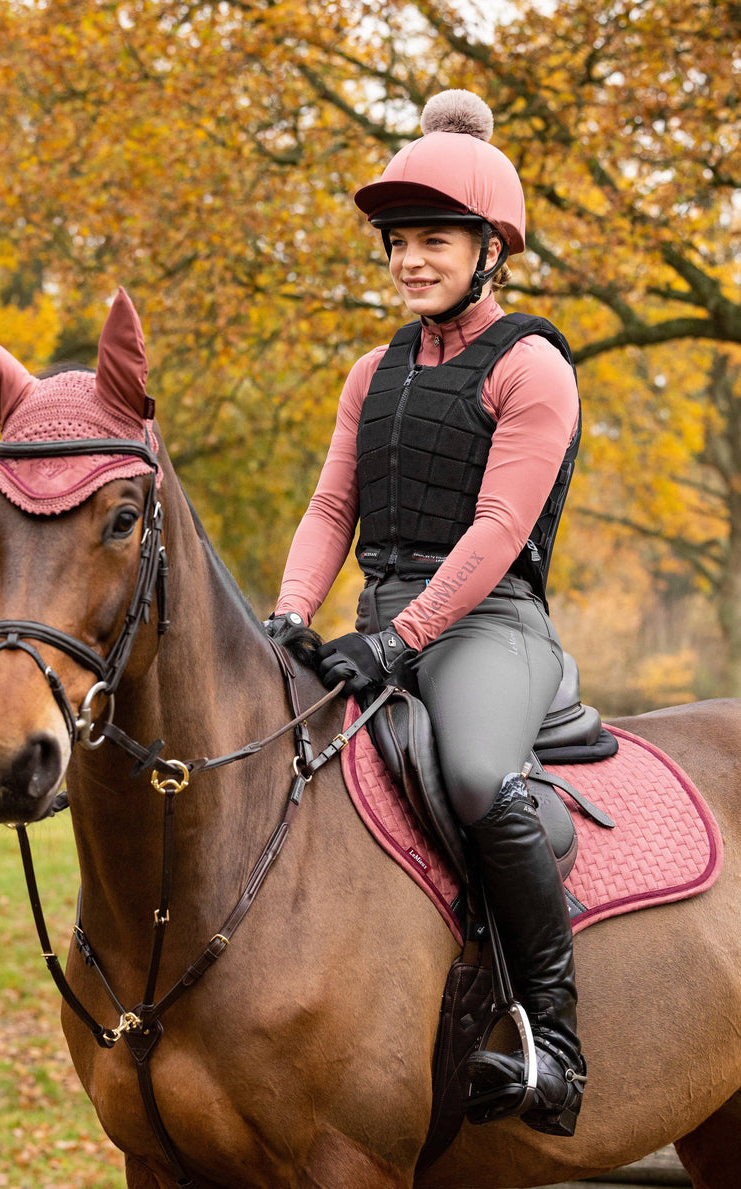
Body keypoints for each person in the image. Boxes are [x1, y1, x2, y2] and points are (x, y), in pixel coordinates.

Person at [267, 90, 585, 1136]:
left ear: (491, 247)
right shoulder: (375, 371)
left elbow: (497, 530)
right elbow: (329, 507)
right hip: (378, 619)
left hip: (490, 625)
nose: (410, 260)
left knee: (478, 779)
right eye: (399, 242)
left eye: (434, 240)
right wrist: (289, 617)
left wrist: (398, 639)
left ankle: (556, 1042)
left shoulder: (534, 367)